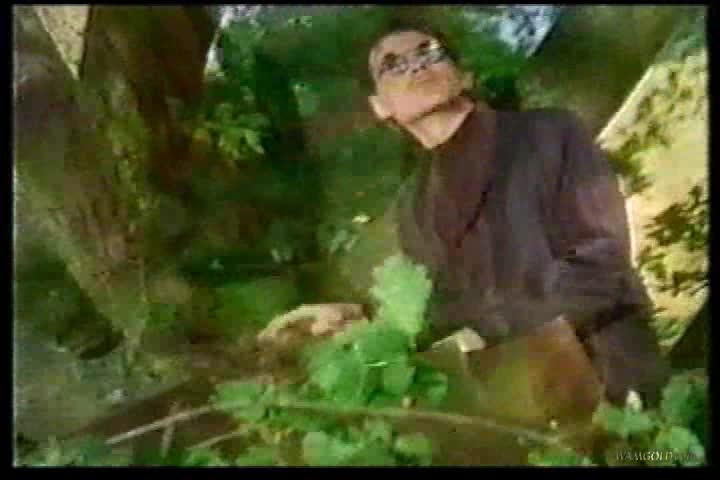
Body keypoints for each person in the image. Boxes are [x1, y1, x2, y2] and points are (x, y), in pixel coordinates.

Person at [366, 26, 670, 406]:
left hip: (611, 379)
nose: (416, 66)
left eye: (429, 52)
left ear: (465, 76)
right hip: (515, 410)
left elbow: (601, 265)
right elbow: (436, 317)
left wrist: (489, 328)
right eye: (394, 65)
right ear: (379, 106)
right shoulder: (411, 205)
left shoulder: (548, 133)